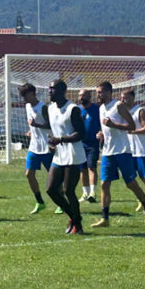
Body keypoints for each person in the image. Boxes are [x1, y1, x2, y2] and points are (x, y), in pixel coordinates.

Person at [91, 82, 145, 228]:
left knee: (131, 184)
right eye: (97, 92)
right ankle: (105, 218)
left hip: (123, 151)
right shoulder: (101, 108)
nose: (98, 95)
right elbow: (106, 129)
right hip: (107, 152)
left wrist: (114, 125)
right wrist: (101, 135)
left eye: (100, 92)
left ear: (108, 92)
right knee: (104, 184)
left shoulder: (118, 105)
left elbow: (131, 126)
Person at [46, 80, 86, 235]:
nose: (49, 91)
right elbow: (56, 131)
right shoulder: (50, 109)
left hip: (73, 154)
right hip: (58, 153)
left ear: (62, 91)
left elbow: (81, 133)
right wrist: (53, 143)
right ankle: (75, 218)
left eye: (53, 89)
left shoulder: (72, 109)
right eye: (49, 89)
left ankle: (78, 225)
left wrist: (61, 139)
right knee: (51, 189)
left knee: (69, 191)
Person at [121, 89, 145, 212]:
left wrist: (133, 132)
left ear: (132, 98)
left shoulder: (139, 111)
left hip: (142, 150)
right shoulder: (123, 112)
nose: (122, 100)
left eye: (124, 98)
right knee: (131, 178)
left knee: (144, 177)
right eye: (121, 98)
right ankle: (141, 200)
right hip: (129, 150)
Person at [19, 83, 53, 214]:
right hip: (34, 146)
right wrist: (30, 131)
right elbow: (32, 124)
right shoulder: (27, 106)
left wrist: (36, 125)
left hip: (46, 146)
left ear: (32, 93)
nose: (24, 99)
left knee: (53, 176)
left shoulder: (43, 107)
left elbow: (50, 125)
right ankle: (39, 202)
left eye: (25, 95)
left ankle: (61, 202)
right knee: (29, 174)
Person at [77, 88, 101, 204]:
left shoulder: (96, 109)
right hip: (80, 143)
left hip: (92, 143)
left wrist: (101, 132)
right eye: (80, 95)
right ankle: (85, 193)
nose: (81, 98)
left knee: (91, 167)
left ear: (89, 97)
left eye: (84, 95)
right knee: (82, 169)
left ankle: (93, 192)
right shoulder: (77, 110)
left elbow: (103, 123)